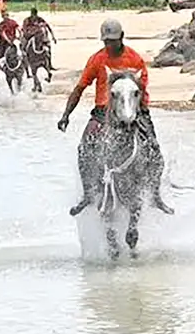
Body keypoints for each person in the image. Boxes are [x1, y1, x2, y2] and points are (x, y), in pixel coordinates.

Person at [58, 19, 171, 215]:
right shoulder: (97, 60)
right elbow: (80, 87)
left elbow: (141, 89)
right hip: (103, 112)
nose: (109, 45)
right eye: (106, 41)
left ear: (121, 37)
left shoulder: (134, 59)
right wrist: (66, 115)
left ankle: (155, 195)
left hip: (133, 109)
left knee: (154, 148)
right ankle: (88, 194)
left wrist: (139, 112)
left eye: (113, 41)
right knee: (84, 147)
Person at [0, 7, 20, 85]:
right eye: (4, 15)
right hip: (3, 45)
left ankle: (26, 72)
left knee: (23, 54)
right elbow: (3, 34)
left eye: (6, 15)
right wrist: (9, 40)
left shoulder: (12, 22)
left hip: (11, 43)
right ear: (2, 16)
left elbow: (18, 28)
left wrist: (19, 36)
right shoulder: (1, 25)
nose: (5, 16)